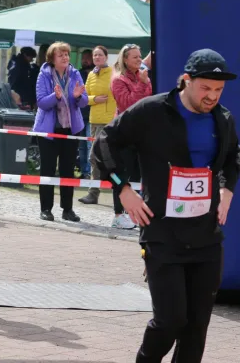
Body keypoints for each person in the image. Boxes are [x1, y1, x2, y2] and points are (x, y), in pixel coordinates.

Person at [93, 48, 240, 363]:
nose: (212, 96)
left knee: (196, 328)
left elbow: (232, 158)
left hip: (206, 237)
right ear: (186, 80)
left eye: (218, 90)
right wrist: (123, 189)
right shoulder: (152, 111)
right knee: (171, 320)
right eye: (205, 88)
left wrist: (227, 190)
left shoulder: (223, 118)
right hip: (162, 233)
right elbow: (105, 141)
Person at [33, 42, 88, 222]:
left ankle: (68, 209)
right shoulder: (44, 75)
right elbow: (41, 102)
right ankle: (46, 209)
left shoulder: (75, 73)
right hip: (49, 131)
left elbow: (83, 102)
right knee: (47, 170)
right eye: (61, 55)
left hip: (71, 129)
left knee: (67, 170)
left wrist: (78, 96)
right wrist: (55, 97)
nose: (65, 57)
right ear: (52, 59)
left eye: (67, 54)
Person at [109, 44, 152, 227]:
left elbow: (148, 102)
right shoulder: (118, 80)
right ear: (125, 59)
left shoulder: (143, 77)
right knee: (121, 175)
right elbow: (128, 104)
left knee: (137, 175)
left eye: (140, 56)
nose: (139, 60)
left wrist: (144, 82)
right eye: (135, 57)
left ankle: (133, 213)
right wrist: (142, 83)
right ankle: (118, 215)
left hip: (141, 133)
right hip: (124, 134)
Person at [78, 47, 117, 204]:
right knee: (96, 158)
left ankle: (118, 191)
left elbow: (115, 94)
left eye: (100, 55)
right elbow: (84, 97)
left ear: (106, 57)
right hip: (93, 120)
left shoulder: (114, 73)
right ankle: (94, 193)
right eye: (95, 55)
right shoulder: (91, 75)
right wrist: (95, 99)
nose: (97, 57)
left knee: (97, 157)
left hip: (109, 121)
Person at [77, 49, 94, 179]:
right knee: (81, 146)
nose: (85, 60)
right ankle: (84, 171)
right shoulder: (78, 74)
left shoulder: (96, 75)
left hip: (92, 115)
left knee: (90, 145)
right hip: (80, 115)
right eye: (83, 58)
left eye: (87, 58)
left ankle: (90, 172)